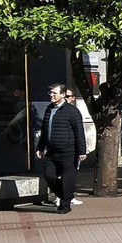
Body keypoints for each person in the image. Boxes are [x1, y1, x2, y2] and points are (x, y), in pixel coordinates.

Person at [35, 83, 87, 212]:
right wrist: (40, 147)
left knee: (67, 179)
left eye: (54, 93)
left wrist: (82, 151)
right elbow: (44, 130)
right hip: (51, 151)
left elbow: (79, 131)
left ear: (63, 95)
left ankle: (65, 204)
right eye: (50, 93)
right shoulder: (49, 109)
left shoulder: (72, 111)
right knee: (49, 175)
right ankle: (65, 196)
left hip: (68, 151)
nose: (51, 95)